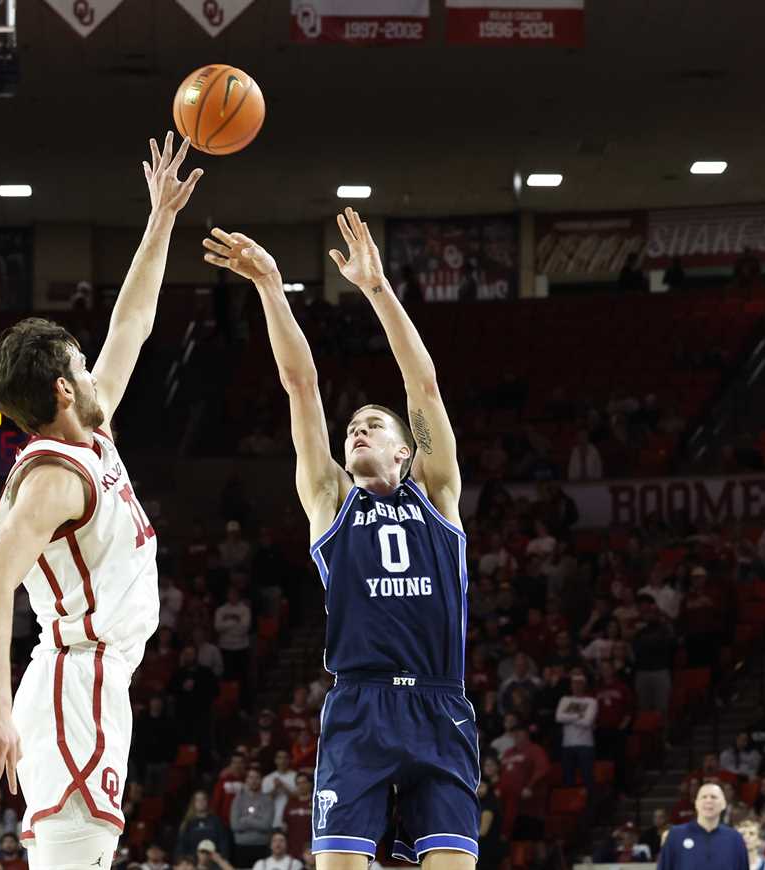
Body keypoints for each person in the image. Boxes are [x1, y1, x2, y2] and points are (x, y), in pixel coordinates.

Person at [203, 207, 479, 868]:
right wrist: (272, 287)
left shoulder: (437, 490)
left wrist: (377, 289)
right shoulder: (330, 500)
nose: (357, 428)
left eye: (374, 424)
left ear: (408, 451)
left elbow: (424, 383)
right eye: (352, 424)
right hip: (358, 706)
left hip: (440, 702)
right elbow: (300, 387)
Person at [0, 132, 202, 870]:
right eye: (81, 366)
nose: (97, 372)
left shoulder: (88, 440)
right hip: (75, 680)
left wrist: (160, 217)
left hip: (96, 679)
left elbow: (132, 324)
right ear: (65, 389)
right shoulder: (53, 479)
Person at [656, 782, 747, 869]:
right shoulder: (676, 835)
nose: (708, 800)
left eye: (714, 797)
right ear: (696, 804)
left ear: (723, 804)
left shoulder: (735, 838)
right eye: (704, 797)